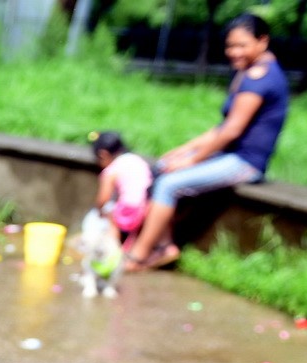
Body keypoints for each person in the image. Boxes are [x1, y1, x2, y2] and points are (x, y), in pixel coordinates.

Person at [127, 13, 289, 271]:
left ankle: (138, 256)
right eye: (230, 46)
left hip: (245, 162)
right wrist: (181, 152)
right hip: (229, 155)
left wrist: (190, 161)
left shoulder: (259, 79)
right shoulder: (250, 72)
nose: (234, 52)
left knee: (169, 184)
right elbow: (221, 129)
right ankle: (163, 246)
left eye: (242, 45)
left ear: (263, 41)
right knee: (162, 168)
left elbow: (231, 132)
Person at [90, 130, 153, 242]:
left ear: (103, 155)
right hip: (149, 207)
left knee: (110, 215)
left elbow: (103, 198)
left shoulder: (111, 170)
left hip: (130, 210)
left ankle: (112, 248)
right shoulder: (135, 159)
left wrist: (99, 211)